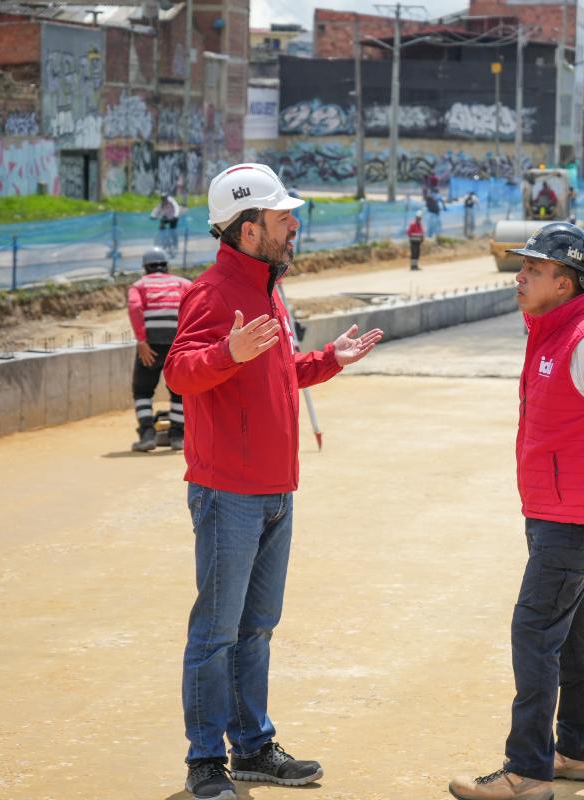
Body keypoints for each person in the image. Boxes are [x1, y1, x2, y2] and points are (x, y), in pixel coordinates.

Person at [164, 162, 384, 800]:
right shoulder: (211, 293)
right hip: (227, 491)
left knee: (256, 626)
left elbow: (274, 374)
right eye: (284, 216)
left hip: (273, 489)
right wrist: (225, 353)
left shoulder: (267, 288)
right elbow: (180, 373)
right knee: (215, 632)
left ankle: (253, 747)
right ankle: (206, 761)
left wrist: (326, 361)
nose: (295, 225)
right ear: (250, 228)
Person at [448, 222, 584, 800]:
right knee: (571, 633)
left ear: (564, 285)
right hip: (557, 509)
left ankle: (528, 771)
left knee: (534, 628)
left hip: (575, 516)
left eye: (534, 270)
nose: (520, 277)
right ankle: (580, 754)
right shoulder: (549, 332)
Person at [127, 246, 192, 452]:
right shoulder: (183, 283)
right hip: (177, 344)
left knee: (143, 390)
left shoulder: (138, 286)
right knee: (180, 390)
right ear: (166, 265)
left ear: (145, 267)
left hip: (151, 345)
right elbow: (194, 305)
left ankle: (147, 434)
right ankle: (177, 436)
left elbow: (135, 307)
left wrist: (141, 341)